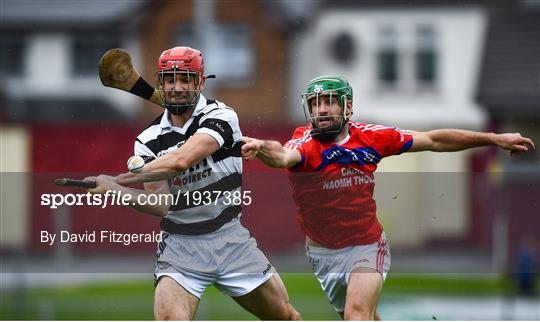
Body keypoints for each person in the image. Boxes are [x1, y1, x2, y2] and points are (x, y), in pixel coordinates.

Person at [241, 74, 536, 320]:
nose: (321, 110)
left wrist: (494, 138)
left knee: (357, 315)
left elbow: (434, 140)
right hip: (323, 254)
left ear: (347, 108)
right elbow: (282, 155)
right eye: (315, 103)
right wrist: (262, 147)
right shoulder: (305, 144)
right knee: (364, 315)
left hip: (366, 245)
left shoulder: (372, 137)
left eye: (330, 101)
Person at [85, 46, 301, 320]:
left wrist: (118, 179)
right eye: (169, 79)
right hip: (180, 247)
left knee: (286, 317)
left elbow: (181, 160)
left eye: (185, 79)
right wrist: (117, 191)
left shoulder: (221, 116)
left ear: (200, 82)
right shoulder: (148, 139)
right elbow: (160, 204)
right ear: (160, 83)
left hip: (230, 239)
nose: (177, 87)